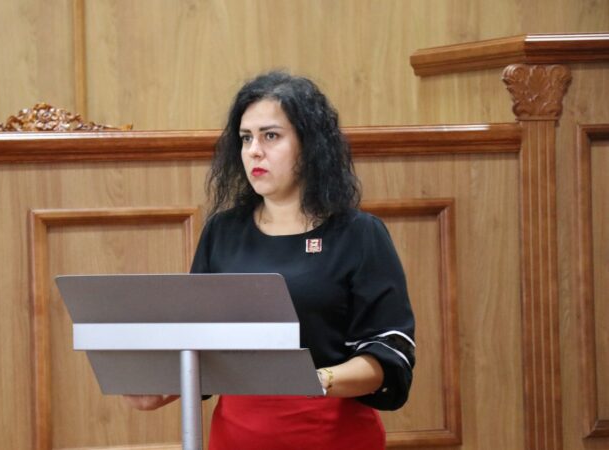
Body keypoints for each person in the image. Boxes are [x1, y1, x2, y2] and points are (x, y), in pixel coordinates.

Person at [124, 71, 415, 450]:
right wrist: (159, 389)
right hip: (235, 436)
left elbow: (388, 353)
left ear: (310, 145)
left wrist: (315, 379)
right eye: (246, 138)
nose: (254, 151)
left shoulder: (359, 234)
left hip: (330, 433)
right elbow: (199, 347)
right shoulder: (223, 231)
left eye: (270, 136)